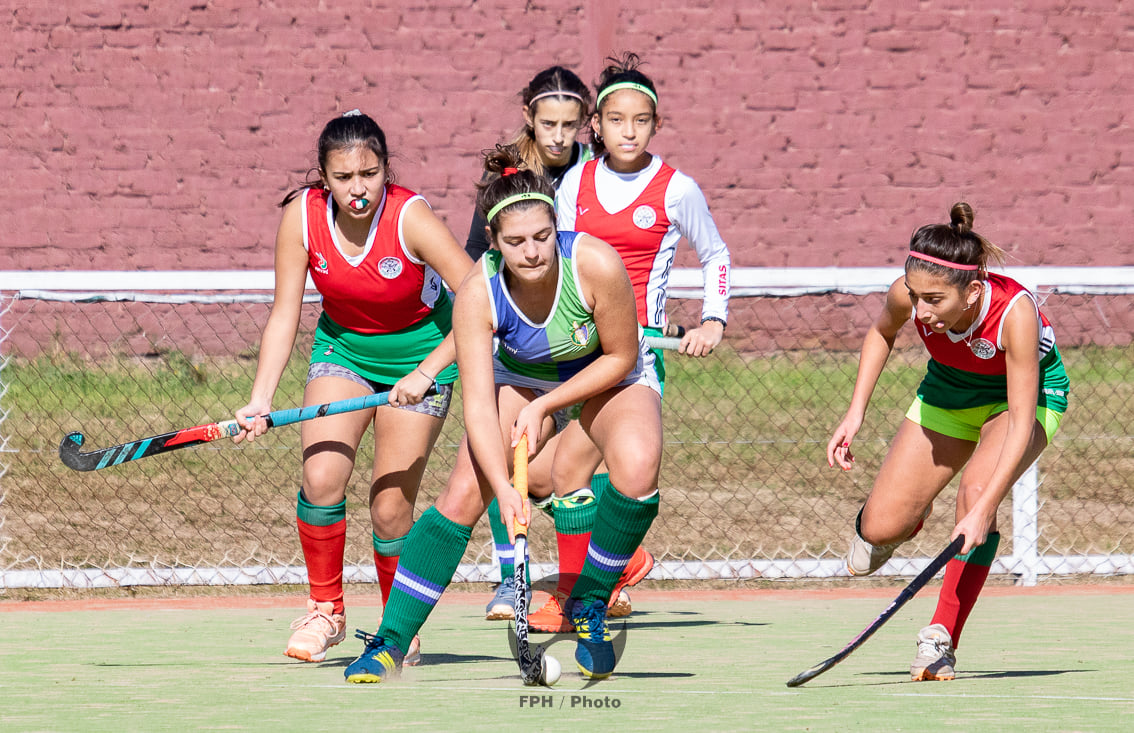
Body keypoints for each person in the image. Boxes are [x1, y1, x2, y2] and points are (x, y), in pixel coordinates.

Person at [341, 144, 663, 683]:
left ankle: (588, 601)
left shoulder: (594, 263)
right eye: (515, 242)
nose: (532, 253)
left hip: (606, 375)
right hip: (522, 378)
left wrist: (547, 405)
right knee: (463, 496)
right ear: (493, 242)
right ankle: (391, 640)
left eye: (541, 237)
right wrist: (503, 487)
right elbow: (478, 408)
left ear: (555, 228)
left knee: (638, 465)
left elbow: (622, 356)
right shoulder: (478, 291)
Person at [233, 110, 474, 666]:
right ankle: (326, 612)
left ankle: (397, 626)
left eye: (369, 174)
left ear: (386, 169)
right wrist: (261, 397)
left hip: (423, 357)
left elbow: (477, 295)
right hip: (342, 353)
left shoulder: (412, 217)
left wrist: (428, 370)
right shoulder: (302, 218)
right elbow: (285, 312)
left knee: (390, 508)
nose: (358, 190)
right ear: (323, 176)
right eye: (344, 179)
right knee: (320, 478)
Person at [527, 52, 733, 632]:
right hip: (573, 354)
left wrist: (712, 320)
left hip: (634, 358)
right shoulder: (574, 182)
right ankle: (621, 560)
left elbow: (715, 253)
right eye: (616, 120)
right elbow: (558, 263)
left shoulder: (675, 189)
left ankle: (574, 597)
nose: (628, 131)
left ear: (655, 125)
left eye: (640, 120)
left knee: (577, 475)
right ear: (598, 126)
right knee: (540, 476)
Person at [826, 202, 1070, 681]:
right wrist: (855, 414)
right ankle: (908, 520)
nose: (920, 310)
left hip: (1023, 401)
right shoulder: (909, 293)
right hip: (948, 393)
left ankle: (941, 636)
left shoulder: (1014, 314)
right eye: (915, 296)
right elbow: (881, 333)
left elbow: (1020, 424)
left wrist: (984, 509)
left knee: (977, 495)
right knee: (879, 529)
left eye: (934, 300)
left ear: (973, 290)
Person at [468, 65, 598, 622]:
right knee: (506, 457)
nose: (559, 136)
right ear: (529, 118)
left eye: (571, 124)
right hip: (522, 351)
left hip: (588, 337)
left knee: (587, 469)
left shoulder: (600, 171)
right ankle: (512, 579)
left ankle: (601, 569)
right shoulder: (507, 183)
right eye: (549, 123)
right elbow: (479, 274)